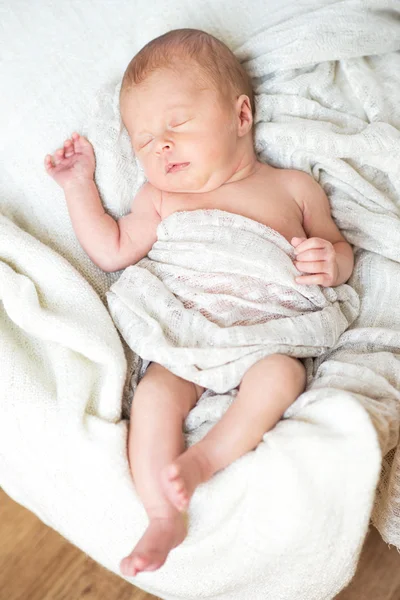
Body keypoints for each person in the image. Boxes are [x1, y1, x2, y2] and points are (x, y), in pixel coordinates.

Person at [44, 28, 354, 578]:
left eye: (177, 124)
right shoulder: (159, 197)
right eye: (143, 141)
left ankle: (205, 458)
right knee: (156, 393)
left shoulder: (293, 187)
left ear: (241, 116)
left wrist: (330, 260)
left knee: (282, 376)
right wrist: (78, 187)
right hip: (188, 333)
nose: (159, 145)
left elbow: (338, 249)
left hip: (267, 333)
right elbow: (111, 250)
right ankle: (163, 515)